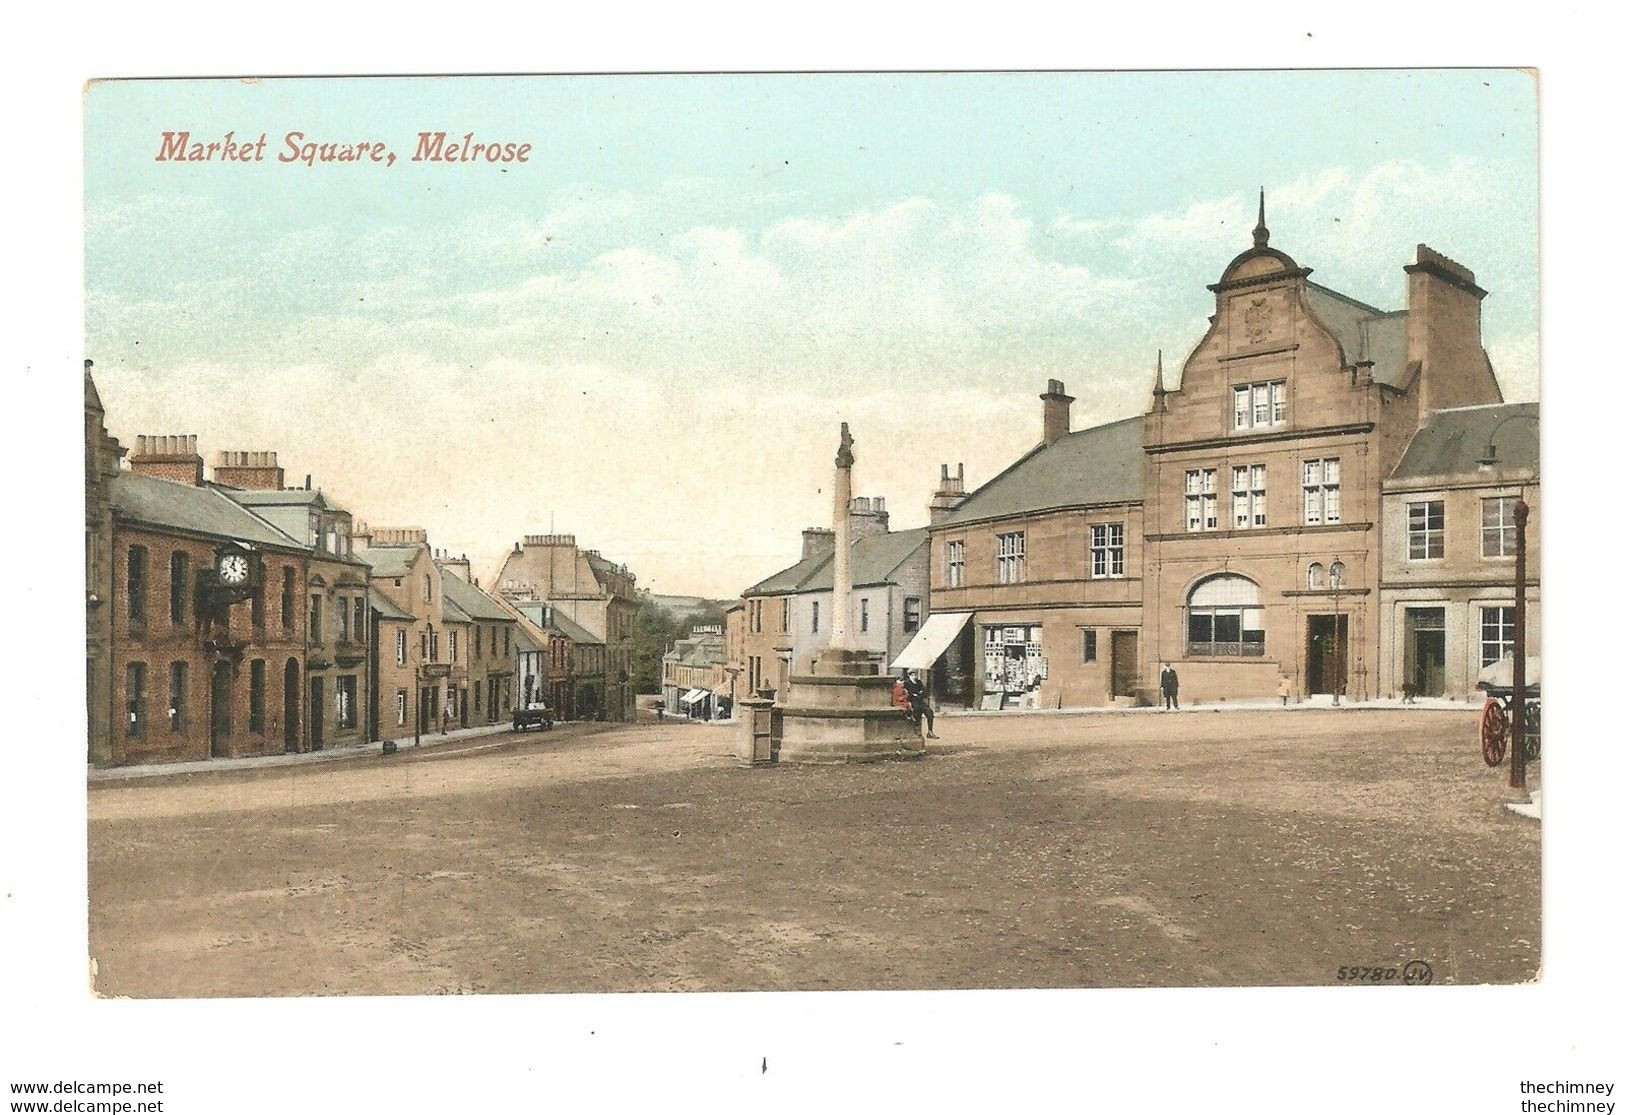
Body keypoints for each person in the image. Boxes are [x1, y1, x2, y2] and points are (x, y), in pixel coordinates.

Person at [902, 669, 938, 739]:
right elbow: (908, 694)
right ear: (909, 676)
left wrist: (918, 694)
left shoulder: (918, 682)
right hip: (913, 701)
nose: (914, 676)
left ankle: (930, 731)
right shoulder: (906, 683)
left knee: (930, 712)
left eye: (915, 675)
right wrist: (915, 694)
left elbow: (923, 691)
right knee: (917, 711)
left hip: (921, 701)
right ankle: (917, 731)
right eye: (912, 675)